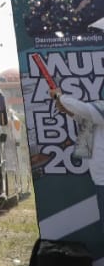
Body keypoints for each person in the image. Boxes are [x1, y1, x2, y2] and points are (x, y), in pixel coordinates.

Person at [50, 85, 104, 231]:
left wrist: (60, 97)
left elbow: (85, 110)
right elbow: (86, 118)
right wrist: (67, 110)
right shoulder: (99, 113)